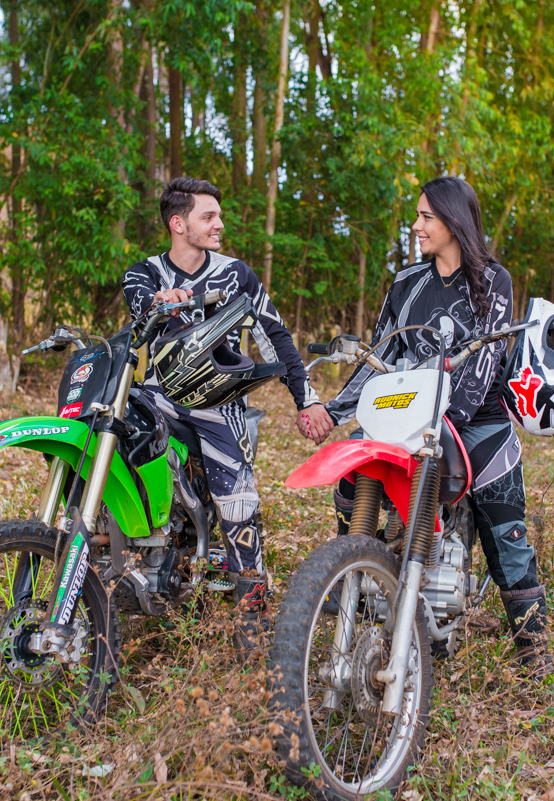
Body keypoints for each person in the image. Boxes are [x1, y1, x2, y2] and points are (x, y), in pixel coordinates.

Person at [320, 176, 554, 679]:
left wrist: (446, 419)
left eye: (426, 217)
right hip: (410, 410)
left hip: (476, 420)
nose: (417, 225)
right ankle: (352, 581)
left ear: (454, 221)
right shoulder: (407, 283)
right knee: (351, 476)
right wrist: (334, 412)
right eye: (418, 216)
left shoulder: (493, 281)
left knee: (507, 537)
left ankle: (537, 664)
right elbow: (381, 353)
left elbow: (488, 357)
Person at [123, 177, 334, 661]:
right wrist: (161, 303)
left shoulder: (237, 274)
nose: (219, 224)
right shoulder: (144, 274)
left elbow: (275, 336)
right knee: (118, 442)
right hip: (161, 396)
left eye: (218, 215)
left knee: (238, 505)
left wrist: (308, 400)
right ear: (179, 224)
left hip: (220, 404)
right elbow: (140, 308)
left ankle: (252, 624)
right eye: (208, 217)